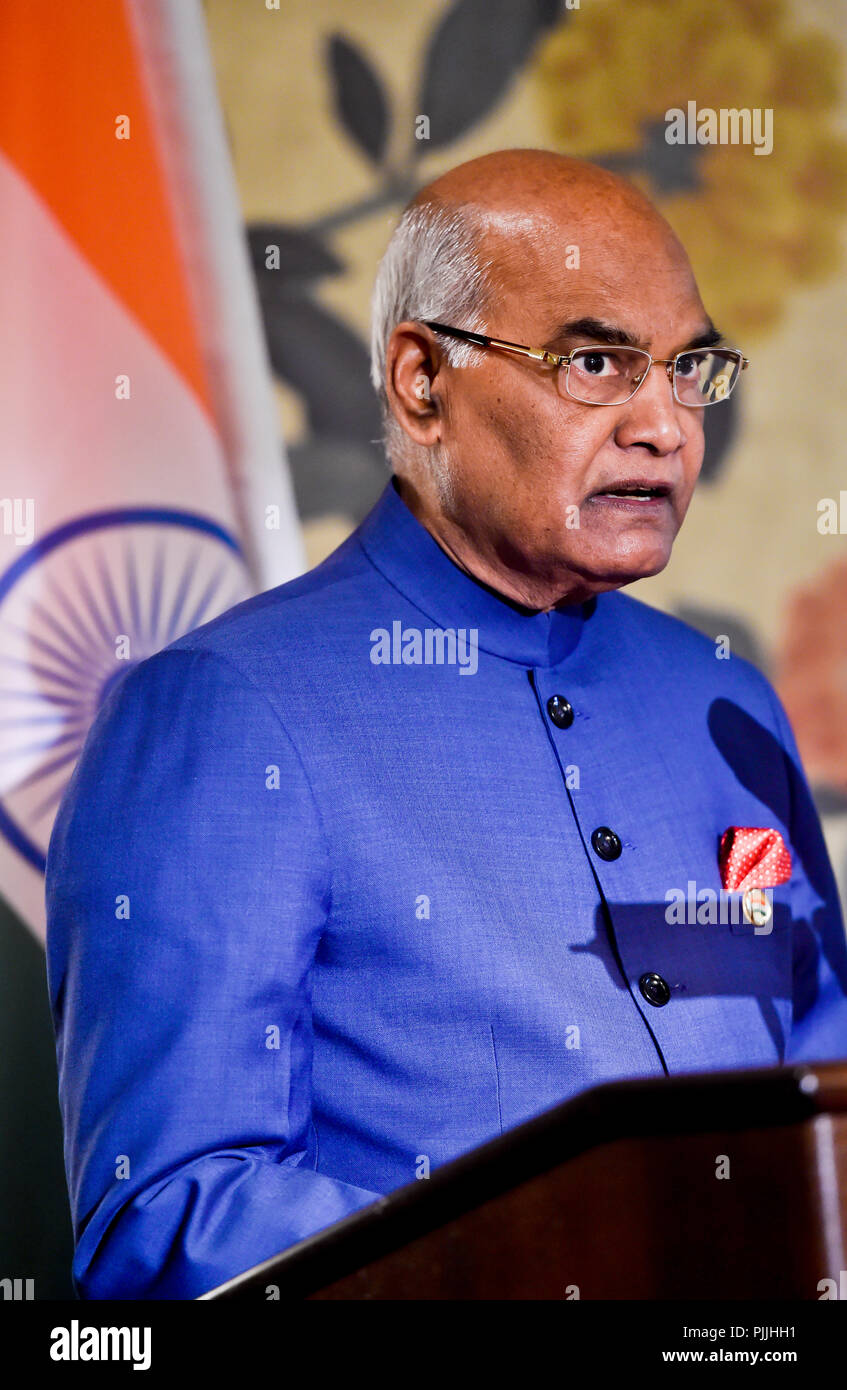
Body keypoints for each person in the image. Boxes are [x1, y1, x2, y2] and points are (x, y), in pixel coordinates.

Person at [46, 149, 847, 1300]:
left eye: (688, 370)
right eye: (594, 362)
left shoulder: (720, 696)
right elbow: (174, 1218)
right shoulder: (220, 714)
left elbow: (818, 1081)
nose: (665, 427)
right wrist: (578, 1264)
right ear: (421, 379)